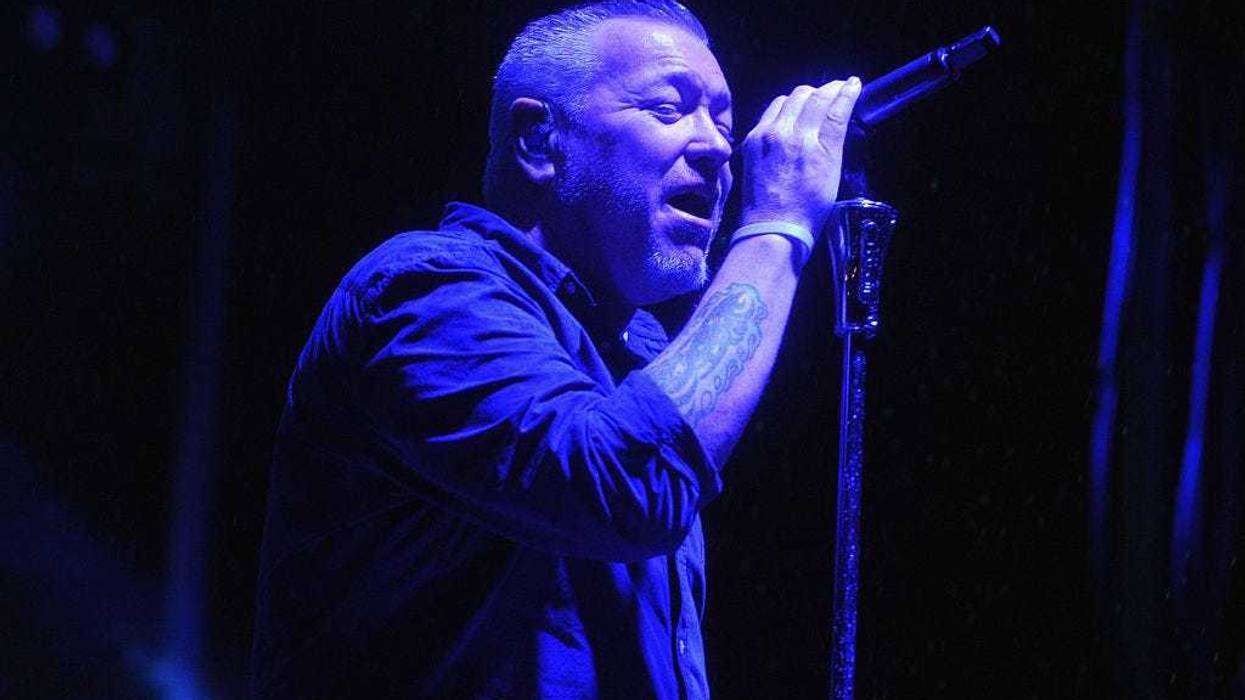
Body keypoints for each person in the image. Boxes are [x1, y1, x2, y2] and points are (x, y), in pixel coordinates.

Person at [250, 1, 860, 697]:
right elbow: (627, 485)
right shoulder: (422, 293)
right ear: (539, 140)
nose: (721, 149)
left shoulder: (640, 353)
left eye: (723, 121)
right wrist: (774, 229)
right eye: (670, 109)